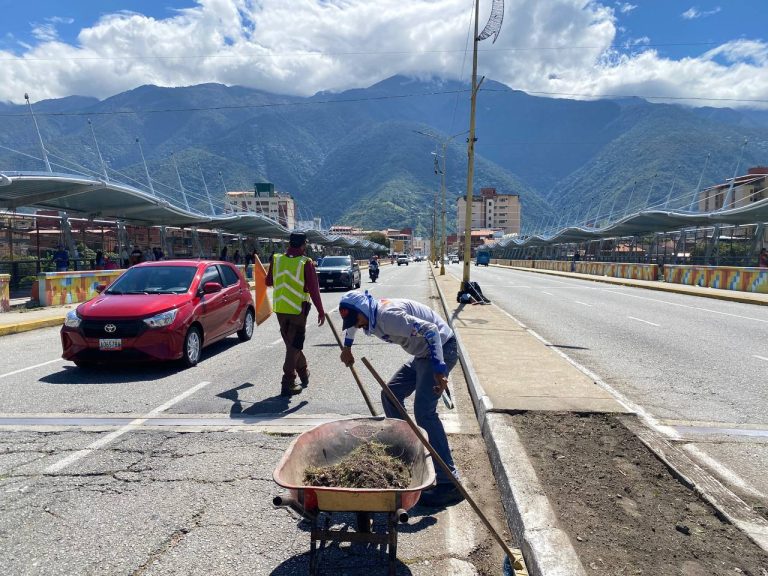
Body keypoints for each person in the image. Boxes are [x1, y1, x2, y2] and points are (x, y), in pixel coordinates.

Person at [338, 290, 464, 508]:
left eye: (356, 319)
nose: (356, 325)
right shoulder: (367, 314)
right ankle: (406, 450)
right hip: (421, 354)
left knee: (424, 412)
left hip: (441, 349)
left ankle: (449, 483)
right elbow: (351, 325)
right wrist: (347, 347)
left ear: (363, 310)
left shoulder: (388, 317)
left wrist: (439, 369)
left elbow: (431, 330)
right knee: (390, 395)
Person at [266, 232, 326, 396]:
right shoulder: (306, 262)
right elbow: (314, 289)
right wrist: (321, 311)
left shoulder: (277, 259)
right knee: (295, 345)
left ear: (289, 243)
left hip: (280, 309)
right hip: (297, 310)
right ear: (303, 245)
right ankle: (288, 382)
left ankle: (303, 372)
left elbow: (268, 281)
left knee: (291, 344)